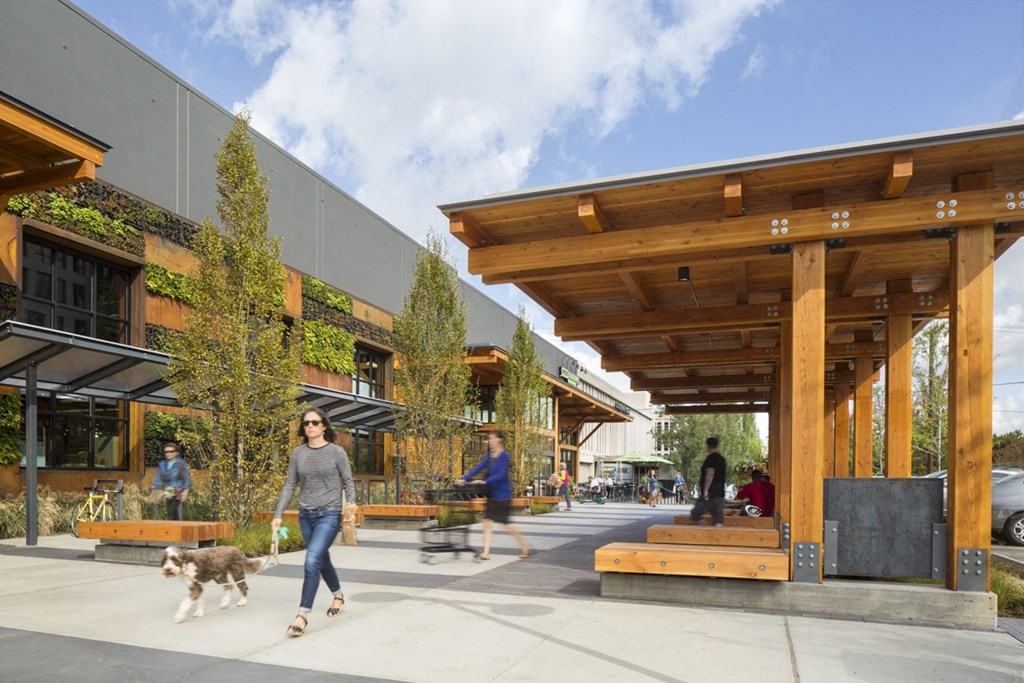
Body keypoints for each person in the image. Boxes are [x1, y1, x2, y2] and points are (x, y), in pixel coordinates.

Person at [272, 408, 356, 638]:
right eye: (306, 422)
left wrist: (351, 507)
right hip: (306, 515)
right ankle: (338, 595)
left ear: (324, 426)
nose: (310, 425)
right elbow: (290, 484)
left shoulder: (336, 452)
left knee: (311, 560)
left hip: (329, 514)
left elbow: (348, 481)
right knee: (321, 559)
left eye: (315, 422)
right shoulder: (298, 453)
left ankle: (302, 615)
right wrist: (278, 514)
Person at [456, 430, 529, 560]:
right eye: (489, 439)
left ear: (499, 439)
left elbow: (501, 474)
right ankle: (486, 551)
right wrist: (464, 479)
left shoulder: (504, 456)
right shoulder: (489, 456)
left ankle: (524, 544)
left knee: (505, 524)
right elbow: (478, 468)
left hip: (503, 495)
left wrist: (485, 481)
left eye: (492, 438)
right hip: (492, 494)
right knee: (487, 521)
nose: (490, 441)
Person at [691, 437, 727, 526]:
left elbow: (710, 473)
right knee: (718, 520)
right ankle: (717, 533)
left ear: (708, 446)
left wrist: (706, 490)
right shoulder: (722, 459)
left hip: (710, 494)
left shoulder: (710, 458)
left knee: (695, 514)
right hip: (720, 493)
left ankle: (705, 532)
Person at [150, 441, 191, 520]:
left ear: (176, 453)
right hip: (168, 490)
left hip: (179, 489)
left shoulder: (181, 463)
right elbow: (158, 478)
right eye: (166, 452)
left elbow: (187, 478)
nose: (168, 453)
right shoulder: (162, 464)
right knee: (171, 511)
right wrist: (155, 491)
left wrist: (186, 490)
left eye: (171, 451)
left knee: (173, 511)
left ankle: (175, 523)